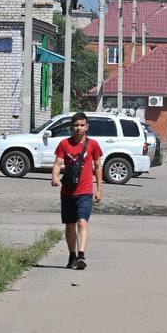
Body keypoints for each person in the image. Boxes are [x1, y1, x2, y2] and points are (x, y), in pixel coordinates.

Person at [51, 111, 104, 270]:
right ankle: (72, 255)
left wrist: (99, 189)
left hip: (85, 192)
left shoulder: (93, 145)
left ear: (87, 127)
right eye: (75, 125)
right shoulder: (64, 144)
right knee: (70, 225)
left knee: (82, 222)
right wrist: (55, 176)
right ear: (71, 127)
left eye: (82, 125)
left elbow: (98, 166)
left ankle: (81, 255)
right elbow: (58, 163)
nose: (78, 128)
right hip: (68, 191)